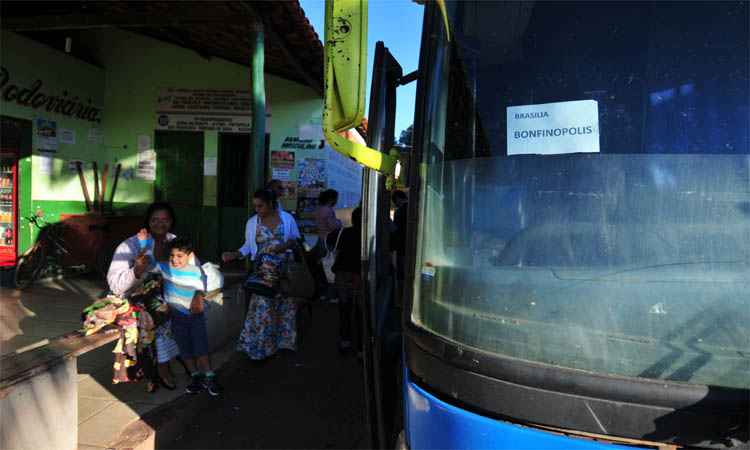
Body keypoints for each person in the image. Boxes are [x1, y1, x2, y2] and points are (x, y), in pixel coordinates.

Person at [107, 202, 181, 392]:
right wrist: (137, 271)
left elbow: (189, 268)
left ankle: (166, 363)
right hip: (132, 299)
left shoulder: (174, 242)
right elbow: (115, 285)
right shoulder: (130, 245)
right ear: (148, 222)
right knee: (158, 315)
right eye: (155, 219)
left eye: (164, 219)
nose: (159, 224)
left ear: (171, 222)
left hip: (163, 296)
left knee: (178, 310)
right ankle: (160, 369)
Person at [222, 189, 302, 360]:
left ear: (272, 203)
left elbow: (296, 242)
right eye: (255, 206)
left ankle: (283, 344)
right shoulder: (252, 223)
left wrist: (284, 246)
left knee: (285, 306)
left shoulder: (287, 219)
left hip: (284, 272)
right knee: (262, 310)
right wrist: (235, 254)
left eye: (261, 206)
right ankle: (259, 348)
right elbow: (248, 247)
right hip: (263, 275)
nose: (257, 209)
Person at [154, 237, 222, 396]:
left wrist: (198, 298)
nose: (175, 260)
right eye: (172, 256)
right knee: (185, 350)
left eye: (179, 256)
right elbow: (149, 265)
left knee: (201, 349)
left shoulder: (196, 272)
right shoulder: (164, 268)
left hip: (194, 317)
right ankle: (195, 376)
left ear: (189, 255)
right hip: (176, 317)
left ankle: (210, 376)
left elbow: (202, 290)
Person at [332, 206, 363, 353]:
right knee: (359, 308)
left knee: (344, 307)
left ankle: (345, 340)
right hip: (359, 274)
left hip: (342, 272)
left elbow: (337, 251)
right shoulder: (367, 234)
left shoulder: (345, 232)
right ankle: (360, 347)